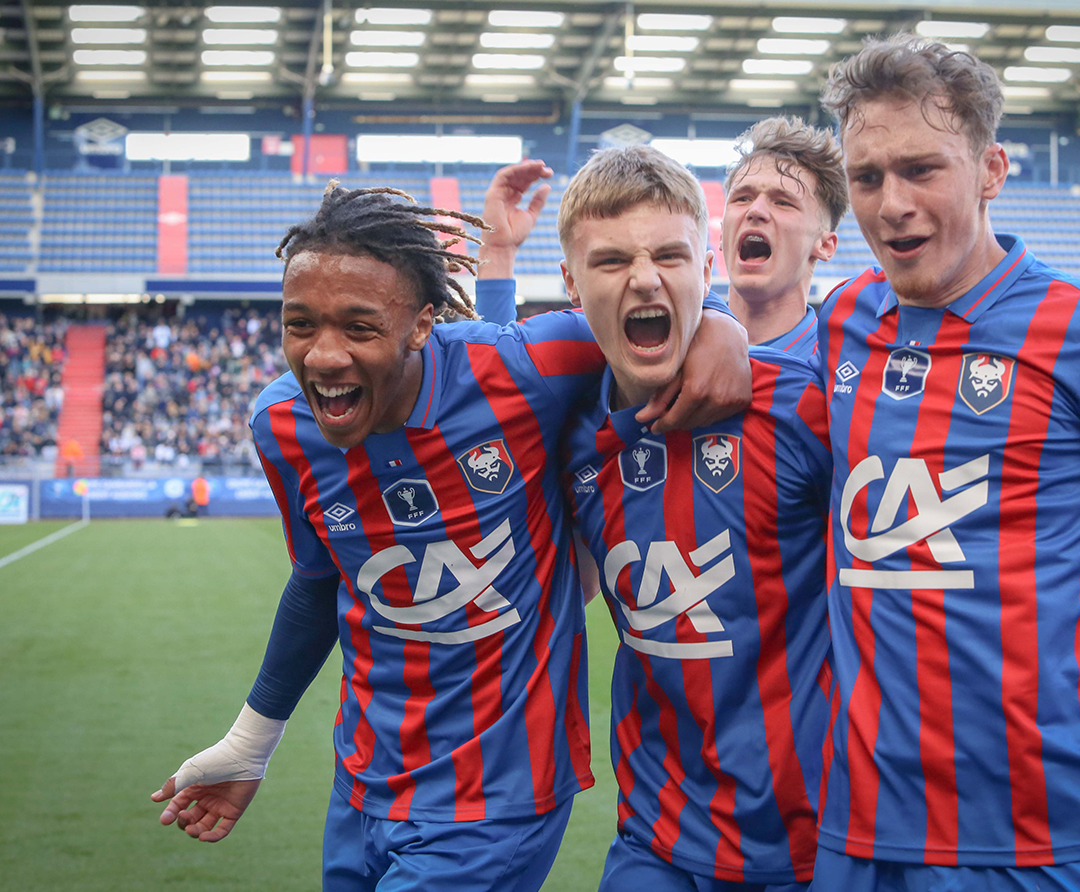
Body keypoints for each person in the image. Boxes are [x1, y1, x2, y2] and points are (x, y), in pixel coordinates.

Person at [150, 172, 751, 892]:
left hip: (497, 797)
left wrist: (722, 323)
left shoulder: (532, 367)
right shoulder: (281, 424)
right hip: (364, 785)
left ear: (423, 323)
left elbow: (642, 308)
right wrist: (250, 742)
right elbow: (317, 582)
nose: (323, 355)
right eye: (299, 323)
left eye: (360, 326)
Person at [809, 34, 1080, 890]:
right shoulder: (846, 320)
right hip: (862, 827)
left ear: (991, 169)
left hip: (1045, 836)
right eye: (867, 178)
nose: (892, 202)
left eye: (922, 168)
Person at [557, 143, 833, 890]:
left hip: (815, 844)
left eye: (671, 257)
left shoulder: (805, 404)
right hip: (657, 835)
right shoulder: (557, 426)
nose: (645, 278)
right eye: (611, 261)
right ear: (571, 289)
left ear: (706, 272)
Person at [720, 116, 844, 356]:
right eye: (742, 198)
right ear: (723, 232)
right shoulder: (675, 353)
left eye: (783, 202)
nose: (755, 211)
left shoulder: (837, 370)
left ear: (826, 245)